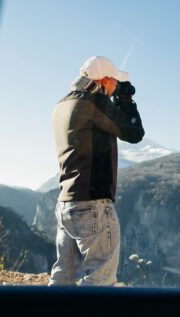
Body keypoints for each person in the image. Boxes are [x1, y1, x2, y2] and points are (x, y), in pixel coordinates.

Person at [49, 56, 144, 286]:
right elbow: (134, 132)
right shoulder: (93, 102)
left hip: (65, 204)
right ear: (104, 80)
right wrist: (126, 99)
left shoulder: (62, 105)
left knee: (63, 275)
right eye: (114, 81)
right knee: (99, 280)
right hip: (93, 204)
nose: (115, 86)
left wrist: (116, 96)